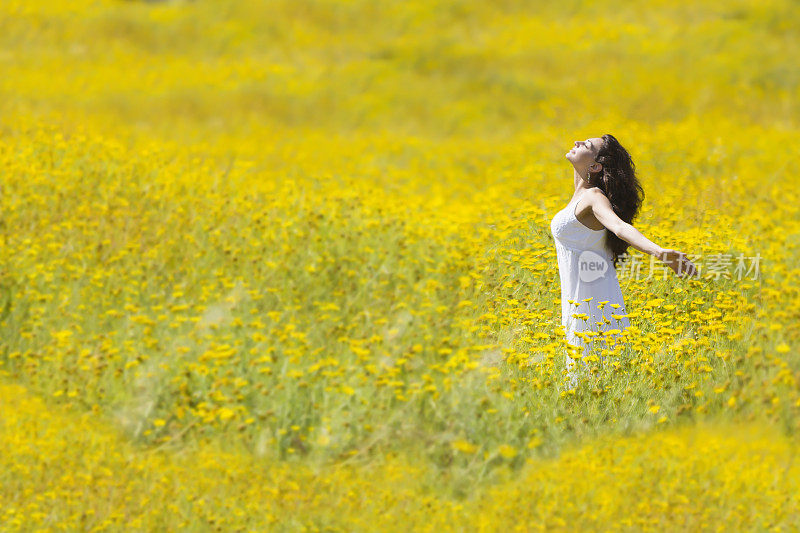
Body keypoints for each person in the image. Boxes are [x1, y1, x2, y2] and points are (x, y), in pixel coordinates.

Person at [550, 134, 699, 390]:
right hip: (581, 293)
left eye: (586, 145)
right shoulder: (581, 195)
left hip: (593, 299)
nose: (577, 142)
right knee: (591, 373)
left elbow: (620, 227)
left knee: (596, 373)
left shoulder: (594, 196)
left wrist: (658, 252)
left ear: (596, 166)